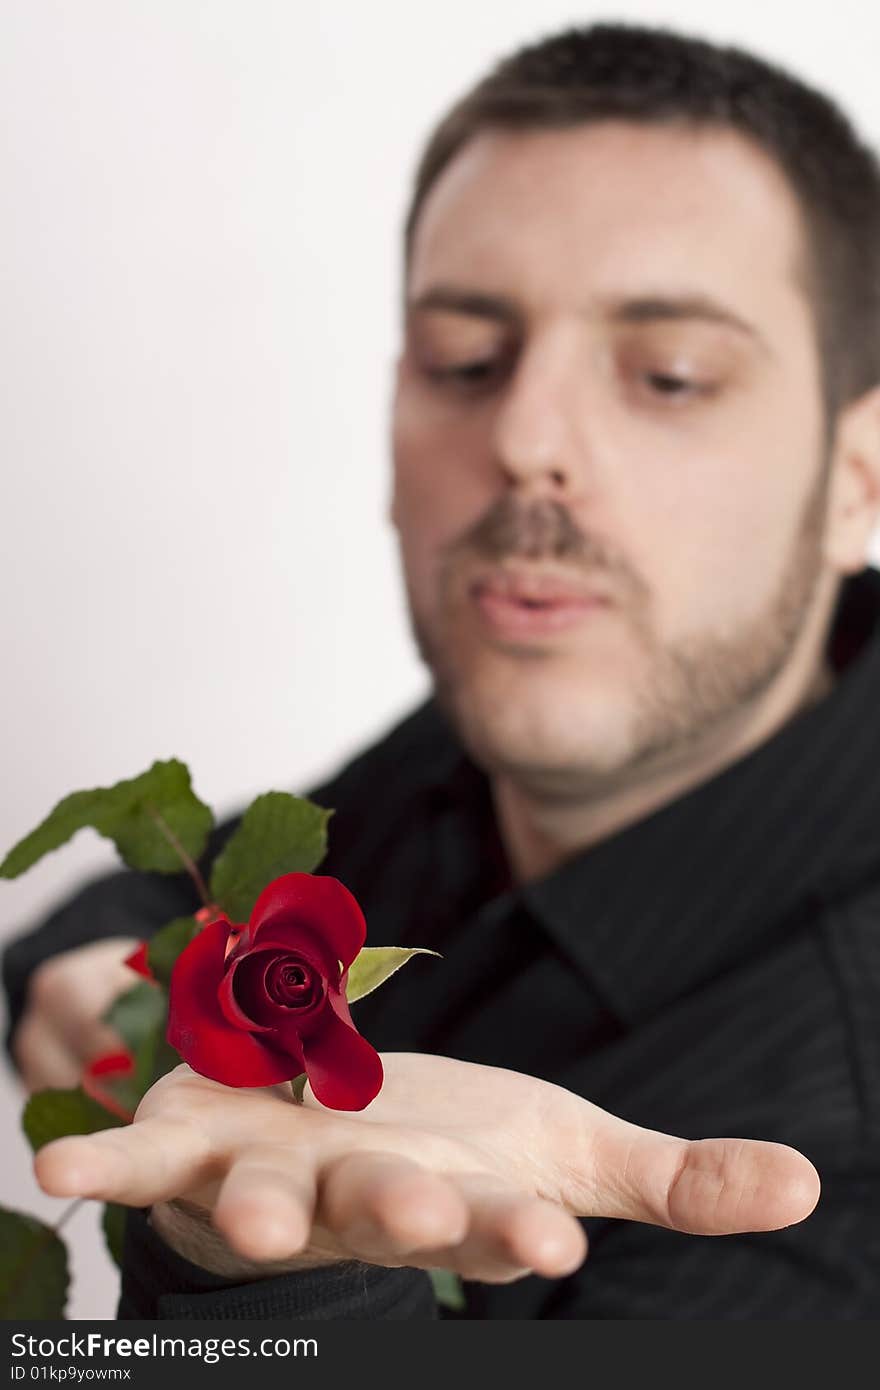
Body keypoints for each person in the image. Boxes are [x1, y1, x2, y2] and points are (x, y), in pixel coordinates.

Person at [4, 19, 880, 1320]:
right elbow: (203, 877)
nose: (524, 437)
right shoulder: (517, 723)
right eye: (465, 359)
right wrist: (84, 969)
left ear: (855, 475)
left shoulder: (832, 1144)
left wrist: (265, 1285)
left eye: (670, 375)